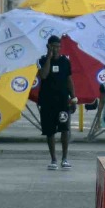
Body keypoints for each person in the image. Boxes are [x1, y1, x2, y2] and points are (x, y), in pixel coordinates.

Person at [36, 35, 74, 169]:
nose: (56, 49)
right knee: (50, 131)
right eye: (53, 46)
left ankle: (65, 158)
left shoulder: (65, 61)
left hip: (63, 101)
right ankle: (53, 159)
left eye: (58, 46)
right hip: (47, 101)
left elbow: (69, 80)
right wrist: (49, 57)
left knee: (65, 129)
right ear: (48, 46)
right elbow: (44, 75)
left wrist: (73, 98)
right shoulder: (42, 60)